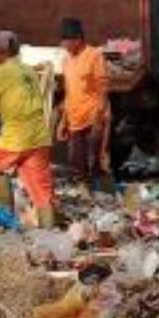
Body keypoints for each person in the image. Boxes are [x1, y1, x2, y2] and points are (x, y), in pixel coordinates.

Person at [0, 31, 56, 228]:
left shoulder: (1, 72)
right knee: (41, 192)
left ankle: (6, 218)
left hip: (16, 137)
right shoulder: (28, 71)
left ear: (1, 52)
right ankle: (48, 235)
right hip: (40, 137)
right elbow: (18, 101)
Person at [56, 18, 112, 190]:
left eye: (66, 41)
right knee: (76, 164)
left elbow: (102, 90)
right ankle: (86, 194)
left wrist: (98, 120)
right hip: (75, 119)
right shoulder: (66, 60)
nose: (63, 45)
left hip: (93, 118)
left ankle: (102, 194)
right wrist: (63, 121)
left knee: (96, 161)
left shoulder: (94, 55)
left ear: (77, 40)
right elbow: (69, 92)